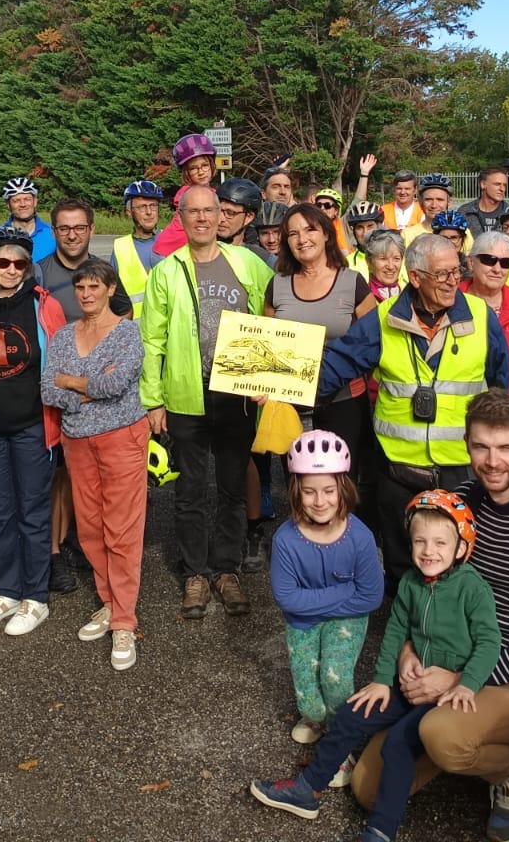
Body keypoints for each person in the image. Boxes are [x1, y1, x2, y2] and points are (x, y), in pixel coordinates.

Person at [349, 390, 509, 842]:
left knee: (443, 736)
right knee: (368, 789)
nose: (492, 461)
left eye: (505, 447)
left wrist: (460, 680)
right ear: (466, 444)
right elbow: (419, 589)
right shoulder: (457, 502)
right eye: (481, 446)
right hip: (451, 663)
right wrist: (406, 652)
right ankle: (459, 740)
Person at [251, 488, 499, 842]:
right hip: (408, 684)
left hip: (446, 695)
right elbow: (396, 631)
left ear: (461, 548)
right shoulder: (411, 582)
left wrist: (466, 684)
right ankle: (308, 788)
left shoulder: (472, 589)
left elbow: (489, 642)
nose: (428, 551)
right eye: (420, 541)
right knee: (353, 712)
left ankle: (381, 831)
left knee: (397, 743)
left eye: (441, 543)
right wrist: (382, 680)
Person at [318, 234, 509, 584]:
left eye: (456, 271)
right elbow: (334, 366)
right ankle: (402, 616)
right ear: (416, 277)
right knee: (400, 563)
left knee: (460, 560)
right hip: (398, 470)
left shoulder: (481, 316)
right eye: (442, 274)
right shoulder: (383, 318)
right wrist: (279, 385)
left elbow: (501, 390)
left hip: (461, 470)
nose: (453, 281)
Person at [140, 185, 272, 618]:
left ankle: (226, 570)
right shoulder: (166, 271)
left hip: (237, 394)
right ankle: (195, 573)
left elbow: (273, 315)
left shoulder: (247, 263)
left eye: (208, 211)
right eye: (192, 211)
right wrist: (153, 401)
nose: (201, 218)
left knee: (233, 489)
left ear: (221, 216)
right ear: (180, 218)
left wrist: (273, 376)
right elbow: (151, 340)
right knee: (190, 491)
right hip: (185, 396)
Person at [0, 225, 66, 637]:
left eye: (20, 263)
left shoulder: (45, 304)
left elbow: (60, 358)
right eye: (2, 262)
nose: (11, 269)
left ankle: (35, 597)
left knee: (33, 512)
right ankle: (6, 591)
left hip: (32, 425)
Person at [39, 259, 148, 670]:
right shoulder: (64, 336)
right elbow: (48, 388)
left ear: (110, 289)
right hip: (77, 440)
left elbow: (116, 384)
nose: (86, 294)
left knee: (122, 529)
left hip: (122, 437)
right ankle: (109, 602)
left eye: (94, 287)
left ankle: (124, 621)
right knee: (90, 529)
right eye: (80, 287)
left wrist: (72, 382)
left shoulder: (127, 332)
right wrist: (85, 390)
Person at [267, 431, 385, 760]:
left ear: (342, 489)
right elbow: (287, 598)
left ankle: (340, 741)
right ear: (296, 491)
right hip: (307, 621)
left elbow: (372, 597)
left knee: (335, 679)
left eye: (329, 491)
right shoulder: (285, 540)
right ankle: (315, 719)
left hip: (346, 619)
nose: (320, 501)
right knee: (308, 697)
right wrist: (346, 591)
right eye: (309, 492)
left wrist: (312, 601)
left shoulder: (360, 537)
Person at [267, 205, 379, 536]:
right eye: (293, 233)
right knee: (299, 482)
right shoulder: (278, 284)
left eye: (309, 229)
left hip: (345, 401)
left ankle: (343, 547)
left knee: (341, 482)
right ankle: (304, 548)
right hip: (291, 404)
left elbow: (372, 342)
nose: (302, 239)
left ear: (327, 234)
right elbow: (266, 345)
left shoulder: (352, 282)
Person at [462, 231, 509, 416]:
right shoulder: (452, 301)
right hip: (455, 412)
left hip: (506, 414)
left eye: (505, 263)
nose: (497, 269)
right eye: (489, 260)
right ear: (471, 262)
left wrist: (501, 410)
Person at [37, 197, 132, 323]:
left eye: (80, 228)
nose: (72, 236)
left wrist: (105, 334)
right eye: (64, 229)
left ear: (91, 230)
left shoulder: (105, 272)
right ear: (54, 232)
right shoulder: (38, 273)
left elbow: (125, 312)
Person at [153, 134, 220, 258]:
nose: (201, 172)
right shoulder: (188, 193)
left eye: (205, 165)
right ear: (186, 173)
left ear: (212, 165)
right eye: (193, 168)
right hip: (167, 253)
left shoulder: (212, 192)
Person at [111, 179, 164, 312]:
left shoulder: (171, 241)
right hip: (134, 324)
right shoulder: (120, 248)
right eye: (142, 207)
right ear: (129, 212)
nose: (149, 212)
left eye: (153, 206)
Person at [216, 179, 275, 266]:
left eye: (230, 213)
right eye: (217, 210)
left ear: (249, 217)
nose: (220, 219)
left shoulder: (263, 260)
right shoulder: (198, 251)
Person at [1, 177, 56, 262]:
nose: (23, 204)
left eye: (27, 199)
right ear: (8, 205)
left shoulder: (54, 233)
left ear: (35, 201)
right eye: (16, 201)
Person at [459, 168, 509, 238]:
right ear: (483, 184)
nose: (502, 189)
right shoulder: (465, 212)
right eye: (497, 184)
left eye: (504, 185)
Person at [362, 230, 405, 302]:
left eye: (396, 258)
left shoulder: (410, 295)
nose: (390, 266)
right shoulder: (362, 298)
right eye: (383, 259)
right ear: (369, 261)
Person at [345, 201, 384, 274]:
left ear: (379, 228)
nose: (365, 233)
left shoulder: (393, 258)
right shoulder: (347, 263)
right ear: (354, 232)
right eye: (360, 227)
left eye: (370, 226)